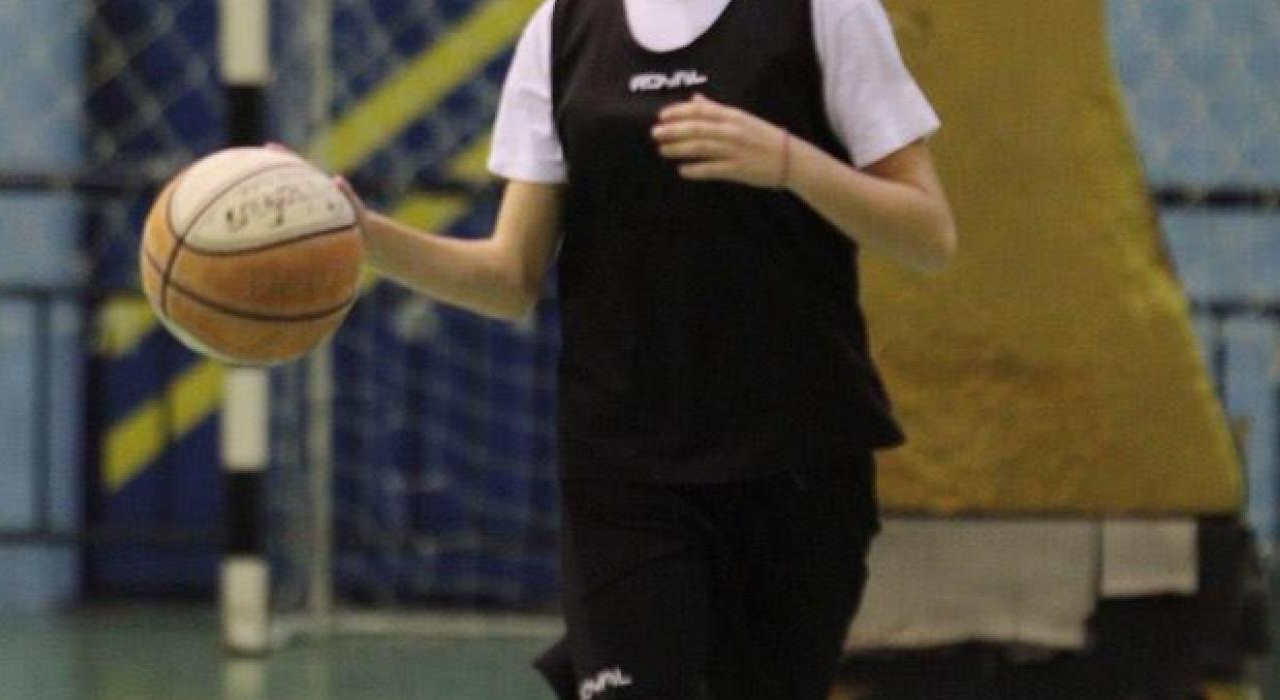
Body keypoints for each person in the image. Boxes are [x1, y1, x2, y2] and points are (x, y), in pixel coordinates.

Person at [335, 0, 956, 697]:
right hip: (622, 466)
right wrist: (367, 237)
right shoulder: (563, 28)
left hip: (793, 462)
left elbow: (929, 237)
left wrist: (791, 163)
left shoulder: (823, 13)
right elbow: (509, 278)